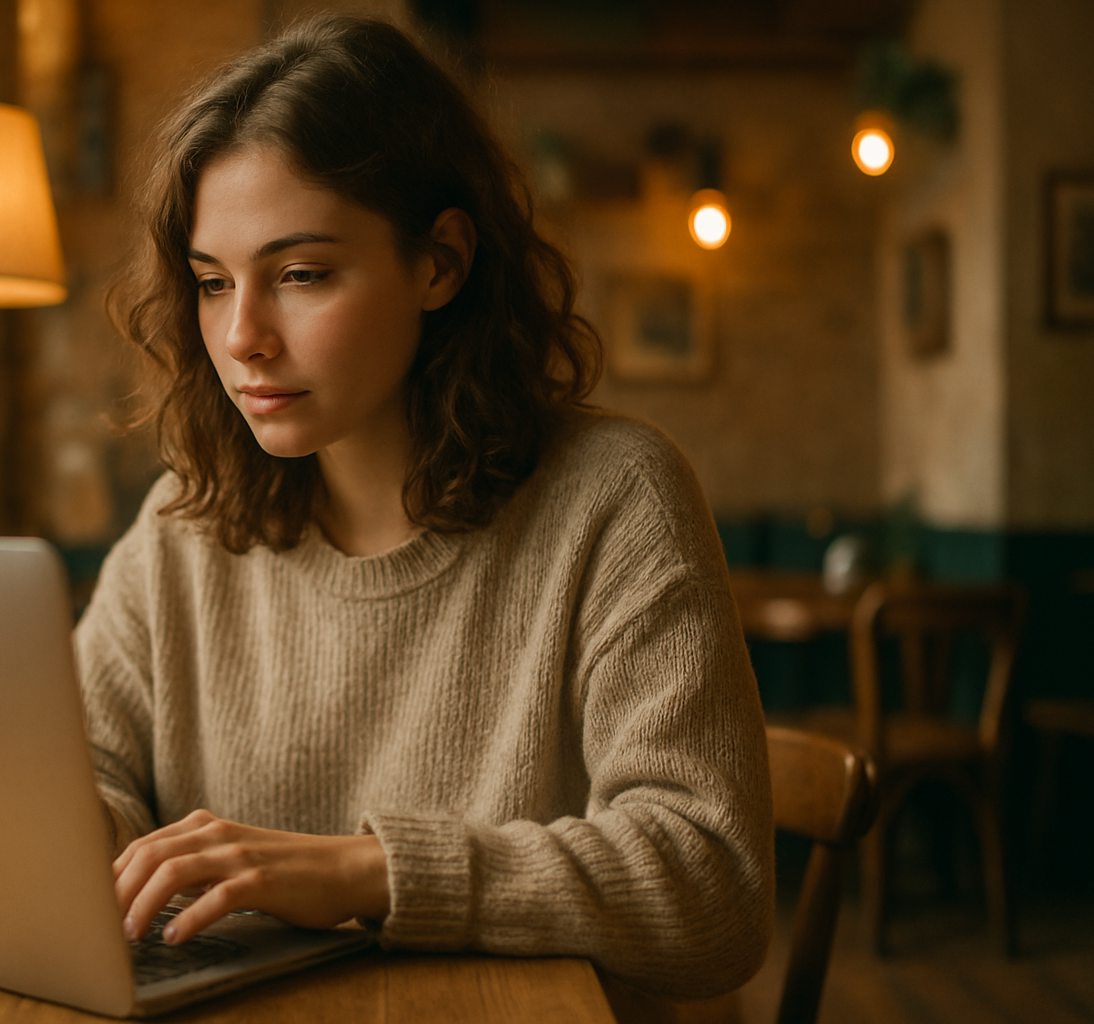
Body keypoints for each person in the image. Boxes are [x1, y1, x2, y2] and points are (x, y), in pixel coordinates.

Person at [79, 14, 773, 1002]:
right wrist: (73, 834)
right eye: (212, 282)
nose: (242, 338)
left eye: (302, 274)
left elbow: (713, 888)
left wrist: (369, 872)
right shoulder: (181, 526)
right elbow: (84, 770)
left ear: (440, 262)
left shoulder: (617, 498)